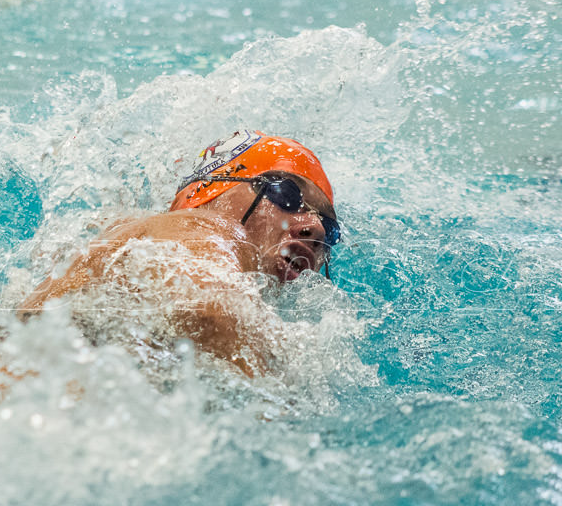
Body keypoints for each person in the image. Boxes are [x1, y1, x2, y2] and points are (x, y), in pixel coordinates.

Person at [17, 130, 341, 376]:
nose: (317, 228)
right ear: (212, 191)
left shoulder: (134, 236)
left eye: (328, 224)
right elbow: (212, 310)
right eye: (287, 193)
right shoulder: (201, 225)